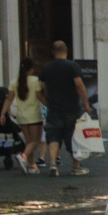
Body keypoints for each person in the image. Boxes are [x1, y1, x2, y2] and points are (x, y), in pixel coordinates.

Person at [37, 40, 93, 176]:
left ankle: (53, 165)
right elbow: (79, 85)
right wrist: (86, 103)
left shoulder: (46, 67)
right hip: (72, 107)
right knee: (72, 137)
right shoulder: (72, 66)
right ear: (66, 51)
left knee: (54, 136)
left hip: (54, 107)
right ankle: (76, 166)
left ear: (53, 52)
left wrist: (48, 103)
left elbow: (40, 90)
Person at [0, 57, 45, 174]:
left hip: (21, 116)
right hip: (34, 115)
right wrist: (50, 105)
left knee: (29, 141)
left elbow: (9, 99)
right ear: (31, 69)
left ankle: (32, 166)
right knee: (35, 141)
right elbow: (40, 97)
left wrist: (3, 113)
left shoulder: (14, 82)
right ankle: (23, 156)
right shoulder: (35, 81)